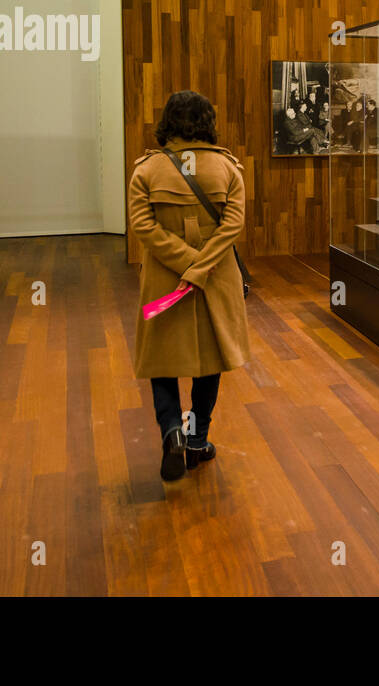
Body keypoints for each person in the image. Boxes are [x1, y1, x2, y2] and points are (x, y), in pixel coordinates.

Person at [128, 90, 251, 481]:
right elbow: (233, 225)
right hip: (215, 277)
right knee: (209, 361)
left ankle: (171, 430)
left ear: (168, 122)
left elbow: (142, 226)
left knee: (161, 360)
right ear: (208, 122)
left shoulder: (146, 170)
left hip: (166, 278)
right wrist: (201, 266)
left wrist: (184, 262)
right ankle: (197, 440)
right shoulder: (228, 168)